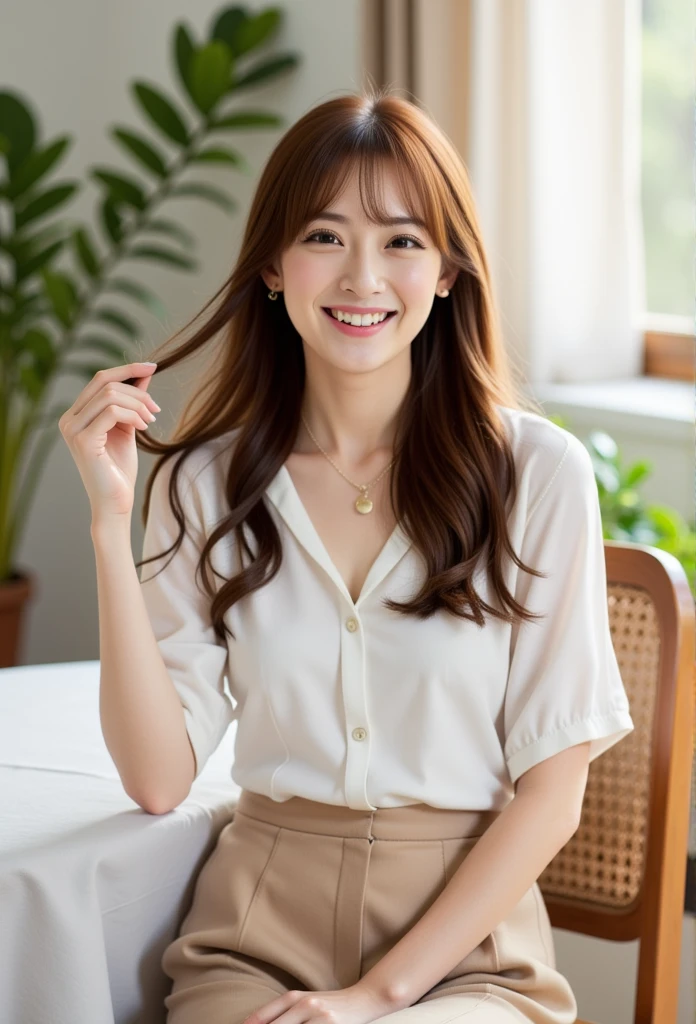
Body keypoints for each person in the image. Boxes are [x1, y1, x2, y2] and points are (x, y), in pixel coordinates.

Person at [60, 88, 635, 1024]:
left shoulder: (537, 474)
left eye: (403, 242)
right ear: (275, 269)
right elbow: (159, 778)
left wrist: (374, 997)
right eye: (325, 237)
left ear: (448, 272)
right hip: (252, 937)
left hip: (468, 956)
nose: (362, 277)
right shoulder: (204, 482)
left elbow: (553, 797)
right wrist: (106, 522)